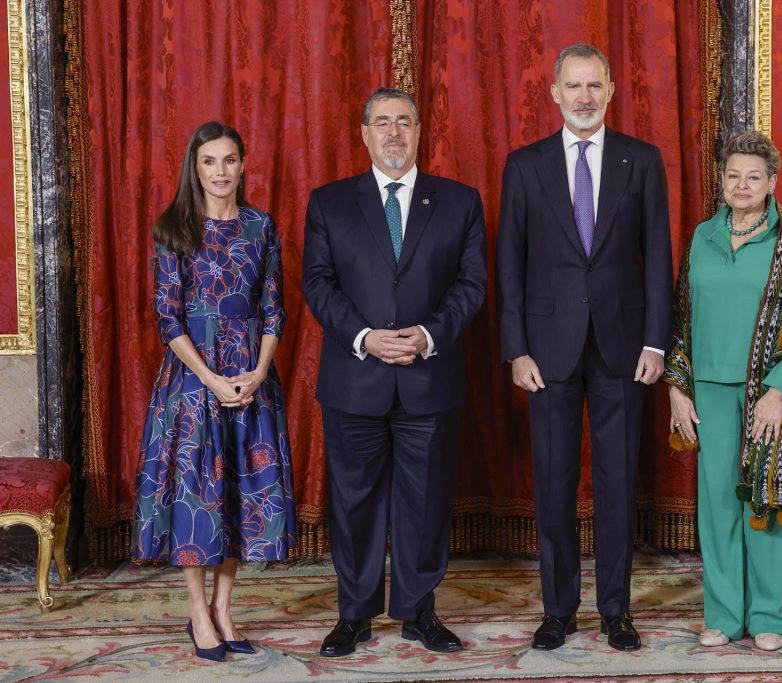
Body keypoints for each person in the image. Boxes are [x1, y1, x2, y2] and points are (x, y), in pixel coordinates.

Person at [497, 43, 672, 652]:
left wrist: (657, 342)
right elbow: (510, 266)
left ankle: (616, 611)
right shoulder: (524, 166)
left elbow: (658, 262)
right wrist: (516, 348)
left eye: (594, 86)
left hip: (625, 348)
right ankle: (559, 609)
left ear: (612, 90)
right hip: (547, 352)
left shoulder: (643, 161)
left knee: (619, 482)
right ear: (554, 93)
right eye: (573, 86)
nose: (584, 97)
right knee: (554, 483)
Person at [302, 88, 487, 657]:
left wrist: (428, 334)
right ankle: (353, 616)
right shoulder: (330, 202)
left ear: (419, 130)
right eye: (382, 123)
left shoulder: (459, 201)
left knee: (426, 501)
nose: (393, 133)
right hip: (355, 378)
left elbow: (471, 283)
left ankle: (418, 612)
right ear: (364, 133)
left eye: (404, 122)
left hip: (428, 377)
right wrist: (365, 337)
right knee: (353, 502)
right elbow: (317, 282)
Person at [132, 121, 297, 662]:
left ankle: (226, 609)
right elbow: (168, 319)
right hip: (193, 381)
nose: (221, 171)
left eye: (230, 160)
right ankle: (198, 613)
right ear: (195, 168)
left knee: (241, 498)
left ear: (243, 165)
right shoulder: (173, 228)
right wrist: (210, 379)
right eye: (210, 162)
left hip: (251, 381)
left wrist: (257, 372)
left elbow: (274, 307)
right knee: (197, 497)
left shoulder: (260, 227)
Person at [664, 131, 782, 652]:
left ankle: (771, 618)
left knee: (768, 499)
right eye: (733, 175)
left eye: (753, 176)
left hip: (767, 394)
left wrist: (779, 389)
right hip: (708, 390)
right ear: (723, 179)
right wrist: (677, 387)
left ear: (772, 182)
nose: (742, 184)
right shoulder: (702, 235)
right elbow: (680, 318)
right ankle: (724, 615)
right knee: (715, 506)